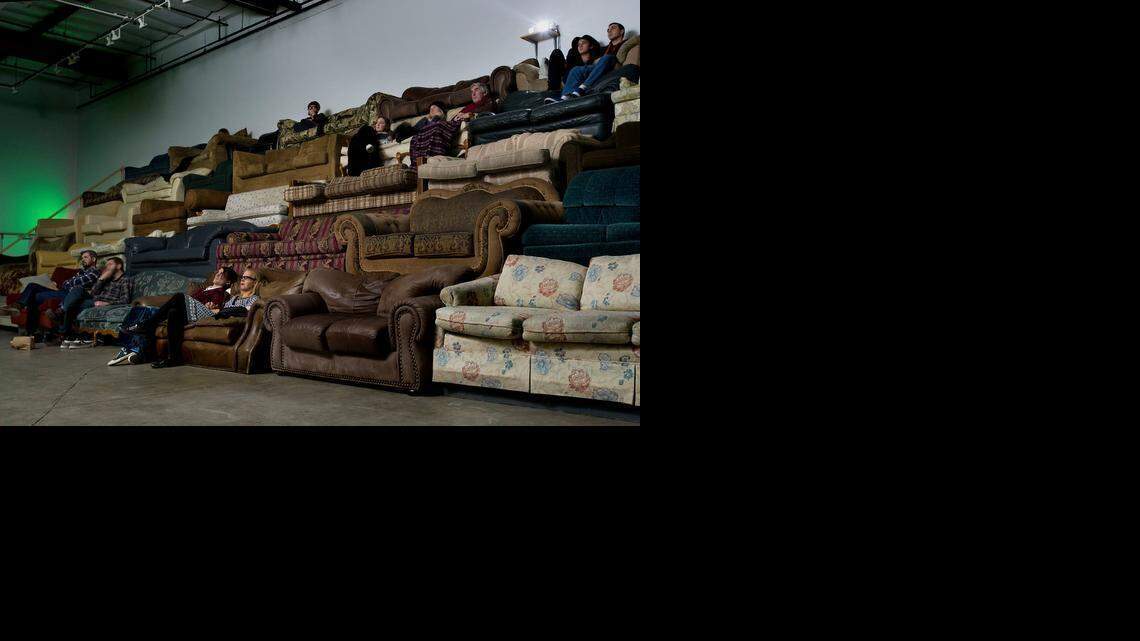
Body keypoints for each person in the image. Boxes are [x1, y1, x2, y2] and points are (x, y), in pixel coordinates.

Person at [123, 268, 263, 369]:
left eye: (247, 278)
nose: (242, 279)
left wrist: (217, 310)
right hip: (212, 314)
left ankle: (146, 326)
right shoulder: (233, 298)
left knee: (179, 296)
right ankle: (173, 358)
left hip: (212, 317)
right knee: (173, 312)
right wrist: (212, 307)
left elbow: (246, 312)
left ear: (255, 282)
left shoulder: (254, 299)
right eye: (242, 277)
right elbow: (221, 310)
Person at [18, 249, 99, 343]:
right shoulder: (81, 272)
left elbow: (73, 283)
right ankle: (19, 305)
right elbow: (66, 283)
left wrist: (67, 283)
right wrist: (65, 283)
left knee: (35, 297)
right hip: (62, 291)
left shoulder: (94, 272)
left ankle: (32, 332)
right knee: (32, 286)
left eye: (86, 257)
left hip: (69, 295)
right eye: (82, 258)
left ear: (93, 259)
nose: (83, 260)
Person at [59, 256, 133, 349]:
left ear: (119, 266)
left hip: (101, 302)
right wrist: (101, 279)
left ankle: (64, 332)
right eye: (106, 265)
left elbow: (125, 300)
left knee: (73, 306)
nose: (107, 267)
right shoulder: (107, 279)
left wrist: (107, 304)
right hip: (93, 299)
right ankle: (62, 309)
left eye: (110, 264)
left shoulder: (125, 279)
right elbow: (93, 292)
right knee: (77, 289)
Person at [550, 23, 625, 101]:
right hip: (597, 70)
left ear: (622, 31)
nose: (609, 31)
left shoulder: (625, 44)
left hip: (612, 67)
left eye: (613, 28)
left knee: (608, 57)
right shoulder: (604, 49)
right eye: (608, 29)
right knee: (575, 70)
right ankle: (563, 99)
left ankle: (583, 87)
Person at [409, 101, 463, 165]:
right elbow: (413, 131)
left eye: (434, 107)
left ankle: (428, 159)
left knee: (437, 125)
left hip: (434, 153)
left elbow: (451, 123)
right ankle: (418, 162)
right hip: (424, 131)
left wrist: (437, 117)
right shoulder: (424, 120)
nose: (431, 109)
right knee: (415, 137)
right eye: (430, 108)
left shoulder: (442, 122)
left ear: (441, 110)